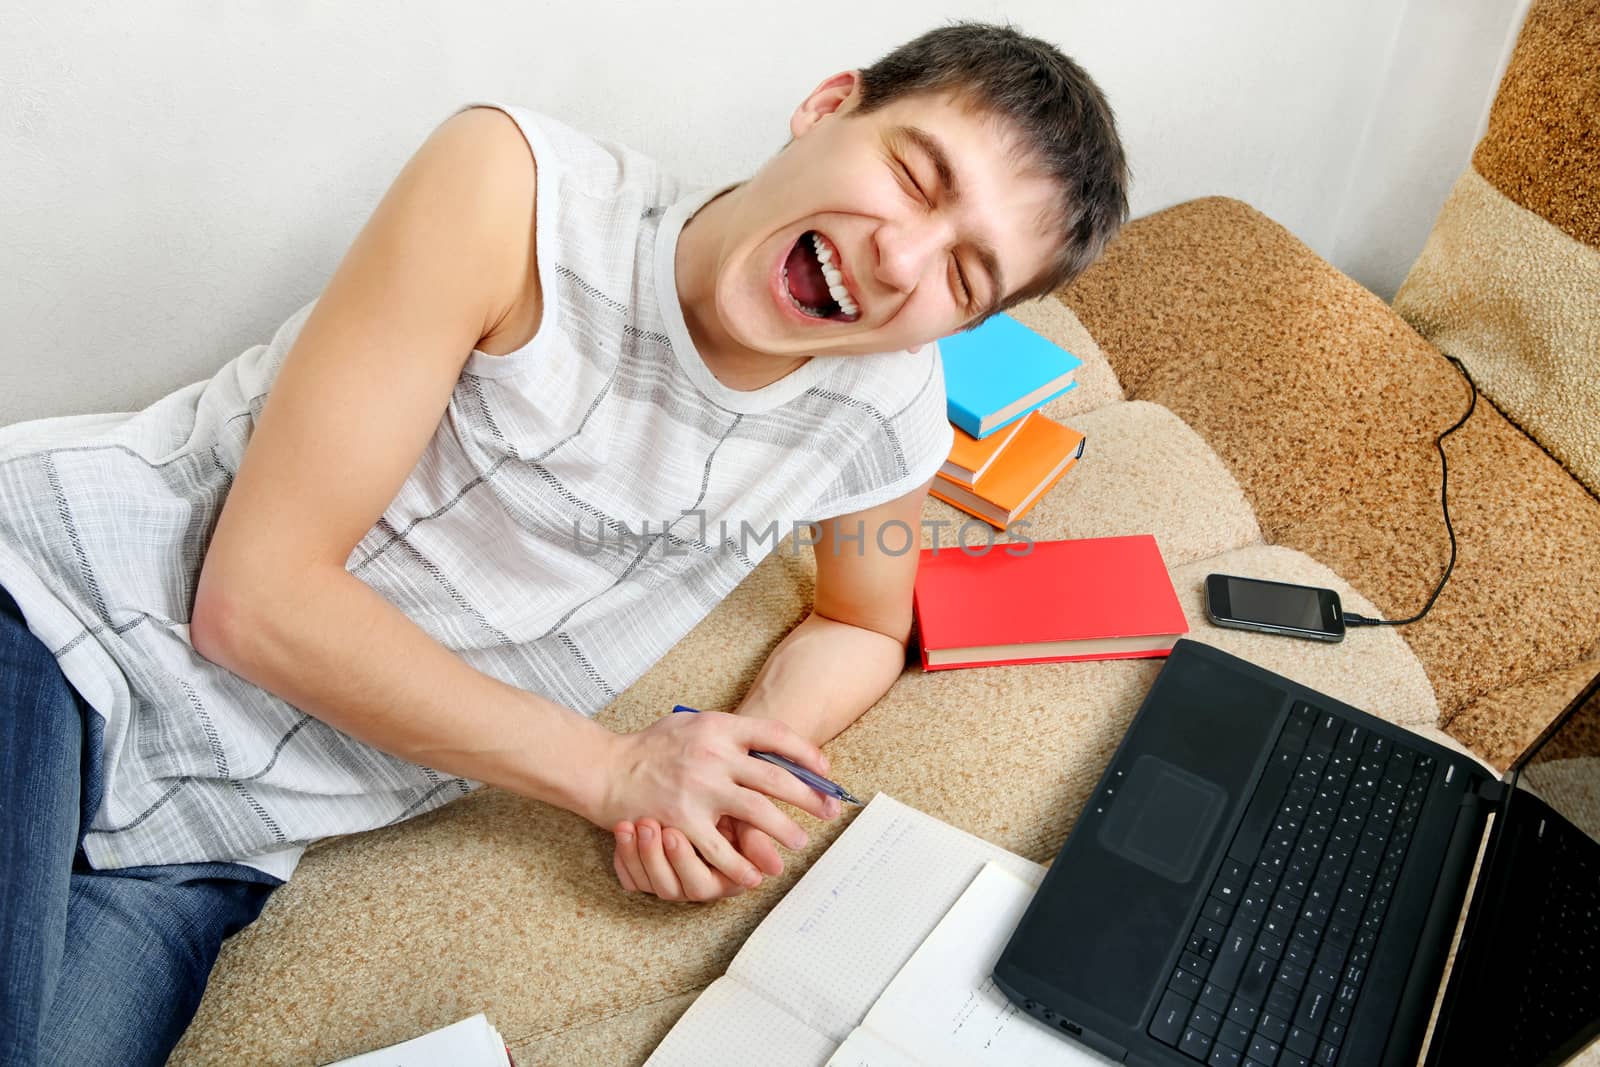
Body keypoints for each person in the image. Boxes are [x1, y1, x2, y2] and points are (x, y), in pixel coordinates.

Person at [0, 19, 1127, 1065]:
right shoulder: (508, 189)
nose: (900, 260)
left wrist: (742, 758)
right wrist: (614, 770)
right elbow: (254, 602)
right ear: (828, 106)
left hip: (220, 833)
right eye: (913, 176)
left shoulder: (885, 414)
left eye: (962, 275)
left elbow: (863, 620)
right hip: (64, 619)